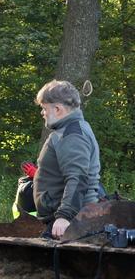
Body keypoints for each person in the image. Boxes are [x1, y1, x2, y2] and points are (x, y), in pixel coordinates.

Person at [32, 80, 101, 239]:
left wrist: (64, 216)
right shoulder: (71, 129)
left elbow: (78, 178)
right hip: (71, 219)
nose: (42, 113)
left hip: (72, 222)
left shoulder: (72, 134)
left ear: (57, 109)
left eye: (44, 108)